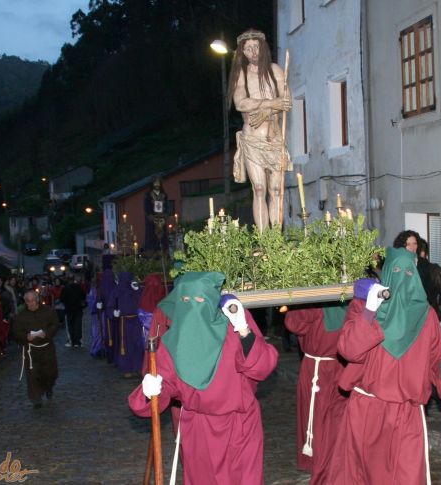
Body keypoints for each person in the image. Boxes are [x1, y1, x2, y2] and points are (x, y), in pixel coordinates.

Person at [129, 272, 278, 484]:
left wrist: (244, 330)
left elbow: (262, 367)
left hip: (241, 425)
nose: (193, 307)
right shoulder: (173, 342)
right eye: (186, 301)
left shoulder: (233, 325)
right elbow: (164, 387)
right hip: (199, 430)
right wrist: (149, 390)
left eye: (200, 300)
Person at [328, 247, 441, 484]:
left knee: (407, 477)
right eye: (397, 270)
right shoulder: (364, 308)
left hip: (407, 413)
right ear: (386, 274)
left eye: (409, 272)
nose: (403, 277)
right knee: (364, 476)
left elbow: (436, 360)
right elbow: (348, 350)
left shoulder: (427, 316)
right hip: (367, 410)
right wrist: (370, 311)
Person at [228, 28, 292, 231]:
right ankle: (264, 240)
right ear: (242, 52)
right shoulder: (241, 74)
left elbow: (287, 102)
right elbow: (241, 104)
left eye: (256, 47)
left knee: (275, 189)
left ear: (262, 48)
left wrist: (268, 107)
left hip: (273, 138)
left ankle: (275, 239)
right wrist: (272, 104)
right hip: (252, 139)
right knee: (259, 188)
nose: (253, 52)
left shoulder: (276, 70)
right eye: (248, 49)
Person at [284, 303, 348, 484]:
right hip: (334, 368)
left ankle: (325, 467)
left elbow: (294, 324)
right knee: (326, 420)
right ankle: (328, 464)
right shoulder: (352, 301)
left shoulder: (314, 305)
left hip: (321, 370)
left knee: (322, 422)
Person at [11, 291, 59, 409]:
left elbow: (55, 325)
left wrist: (47, 333)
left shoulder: (48, 311)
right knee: (33, 375)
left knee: (50, 373)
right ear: (25, 302)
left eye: (33, 301)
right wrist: (25, 337)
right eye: (28, 301)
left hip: (47, 348)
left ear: (37, 300)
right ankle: (36, 398)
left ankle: (48, 387)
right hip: (30, 350)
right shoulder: (21, 316)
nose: (31, 303)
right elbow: (16, 332)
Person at [60, 276, 86, 348]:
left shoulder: (65, 288)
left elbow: (62, 299)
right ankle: (78, 342)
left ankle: (72, 341)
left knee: (70, 326)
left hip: (69, 310)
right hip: (78, 309)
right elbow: (83, 297)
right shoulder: (79, 287)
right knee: (78, 325)